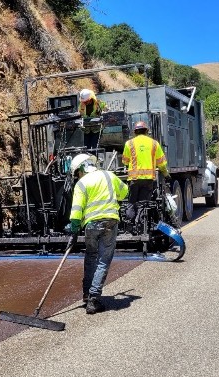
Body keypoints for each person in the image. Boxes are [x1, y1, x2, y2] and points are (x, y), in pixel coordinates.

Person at [65, 153, 129, 314]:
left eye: (77, 173)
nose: (77, 176)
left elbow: (76, 211)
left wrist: (73, 230)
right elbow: (124, 193)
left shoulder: (81, 184)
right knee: (103, 260)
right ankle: (93, 299)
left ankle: (87, 294)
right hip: (110, 222)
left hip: (91, 224)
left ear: (81, 169)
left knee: (91, 257)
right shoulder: (110, 176)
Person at [121, 121, 171, 229]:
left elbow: (125, 161)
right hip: (148, 180)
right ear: (146, 131)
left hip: (134, 179)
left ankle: (130, 226)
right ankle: (141, 226)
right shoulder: (154, 143)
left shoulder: (129, 143)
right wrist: (166, 174)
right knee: (143, 204)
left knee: (131, 203)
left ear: (135, 132)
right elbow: (162, 163)